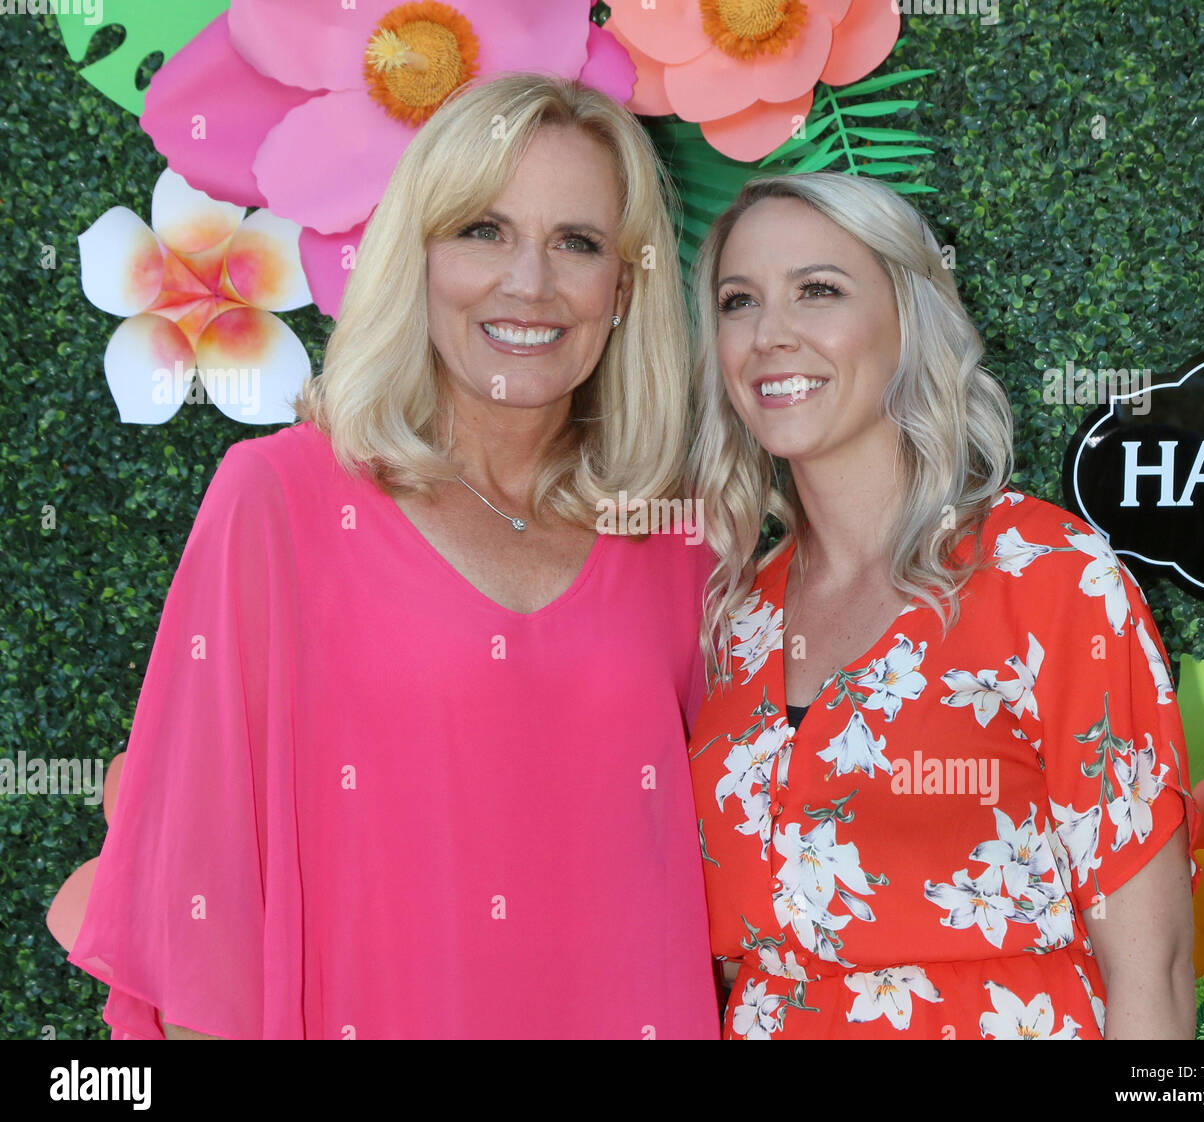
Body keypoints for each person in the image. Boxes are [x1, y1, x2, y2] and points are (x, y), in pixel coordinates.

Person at [67, 73, 720, 1040]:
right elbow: (194, 894)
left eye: (576, 243)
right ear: (415, 256)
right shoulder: (279, 499)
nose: (528, 282)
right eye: (482, 230)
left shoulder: (680, 538)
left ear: (623, 288)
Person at [684, 172, 1200, 1039]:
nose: (770, 335)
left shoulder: (1048, 575)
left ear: (908, 319)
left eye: (819, 291)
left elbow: (1158, 975)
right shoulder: (734, 614)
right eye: (740, 302)